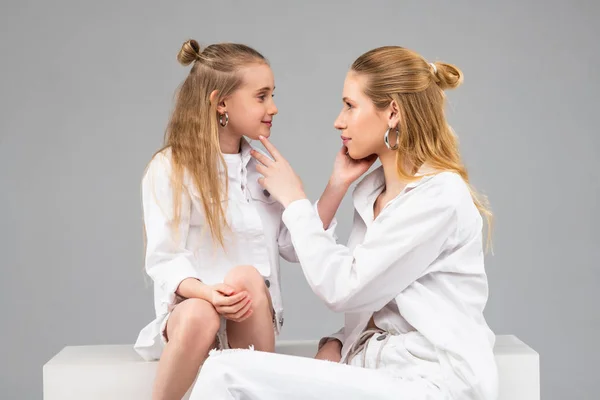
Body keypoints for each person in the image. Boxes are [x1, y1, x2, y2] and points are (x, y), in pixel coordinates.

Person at [190, 45, 498, 400]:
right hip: (380, 374)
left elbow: (342, 287)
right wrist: (340, 341)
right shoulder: (372, 192)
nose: (339, 120)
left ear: (393, 112)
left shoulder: (439, 197)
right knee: (226, 369)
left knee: (227, 370)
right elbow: (378, 296)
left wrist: (294, 200)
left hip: (433, 384)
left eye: (351, 106)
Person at [133, 39, 336, 400]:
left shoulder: (264, 168)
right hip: (194, 316)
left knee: (246, 277)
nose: (273, 107)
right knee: (200, 313)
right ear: (220, 102)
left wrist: (330, 185)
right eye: (261, 96)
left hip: (251, 317)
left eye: (272, 95)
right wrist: (207, 293)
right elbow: (165, 258)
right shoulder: (171, 168)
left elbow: (294, 246)